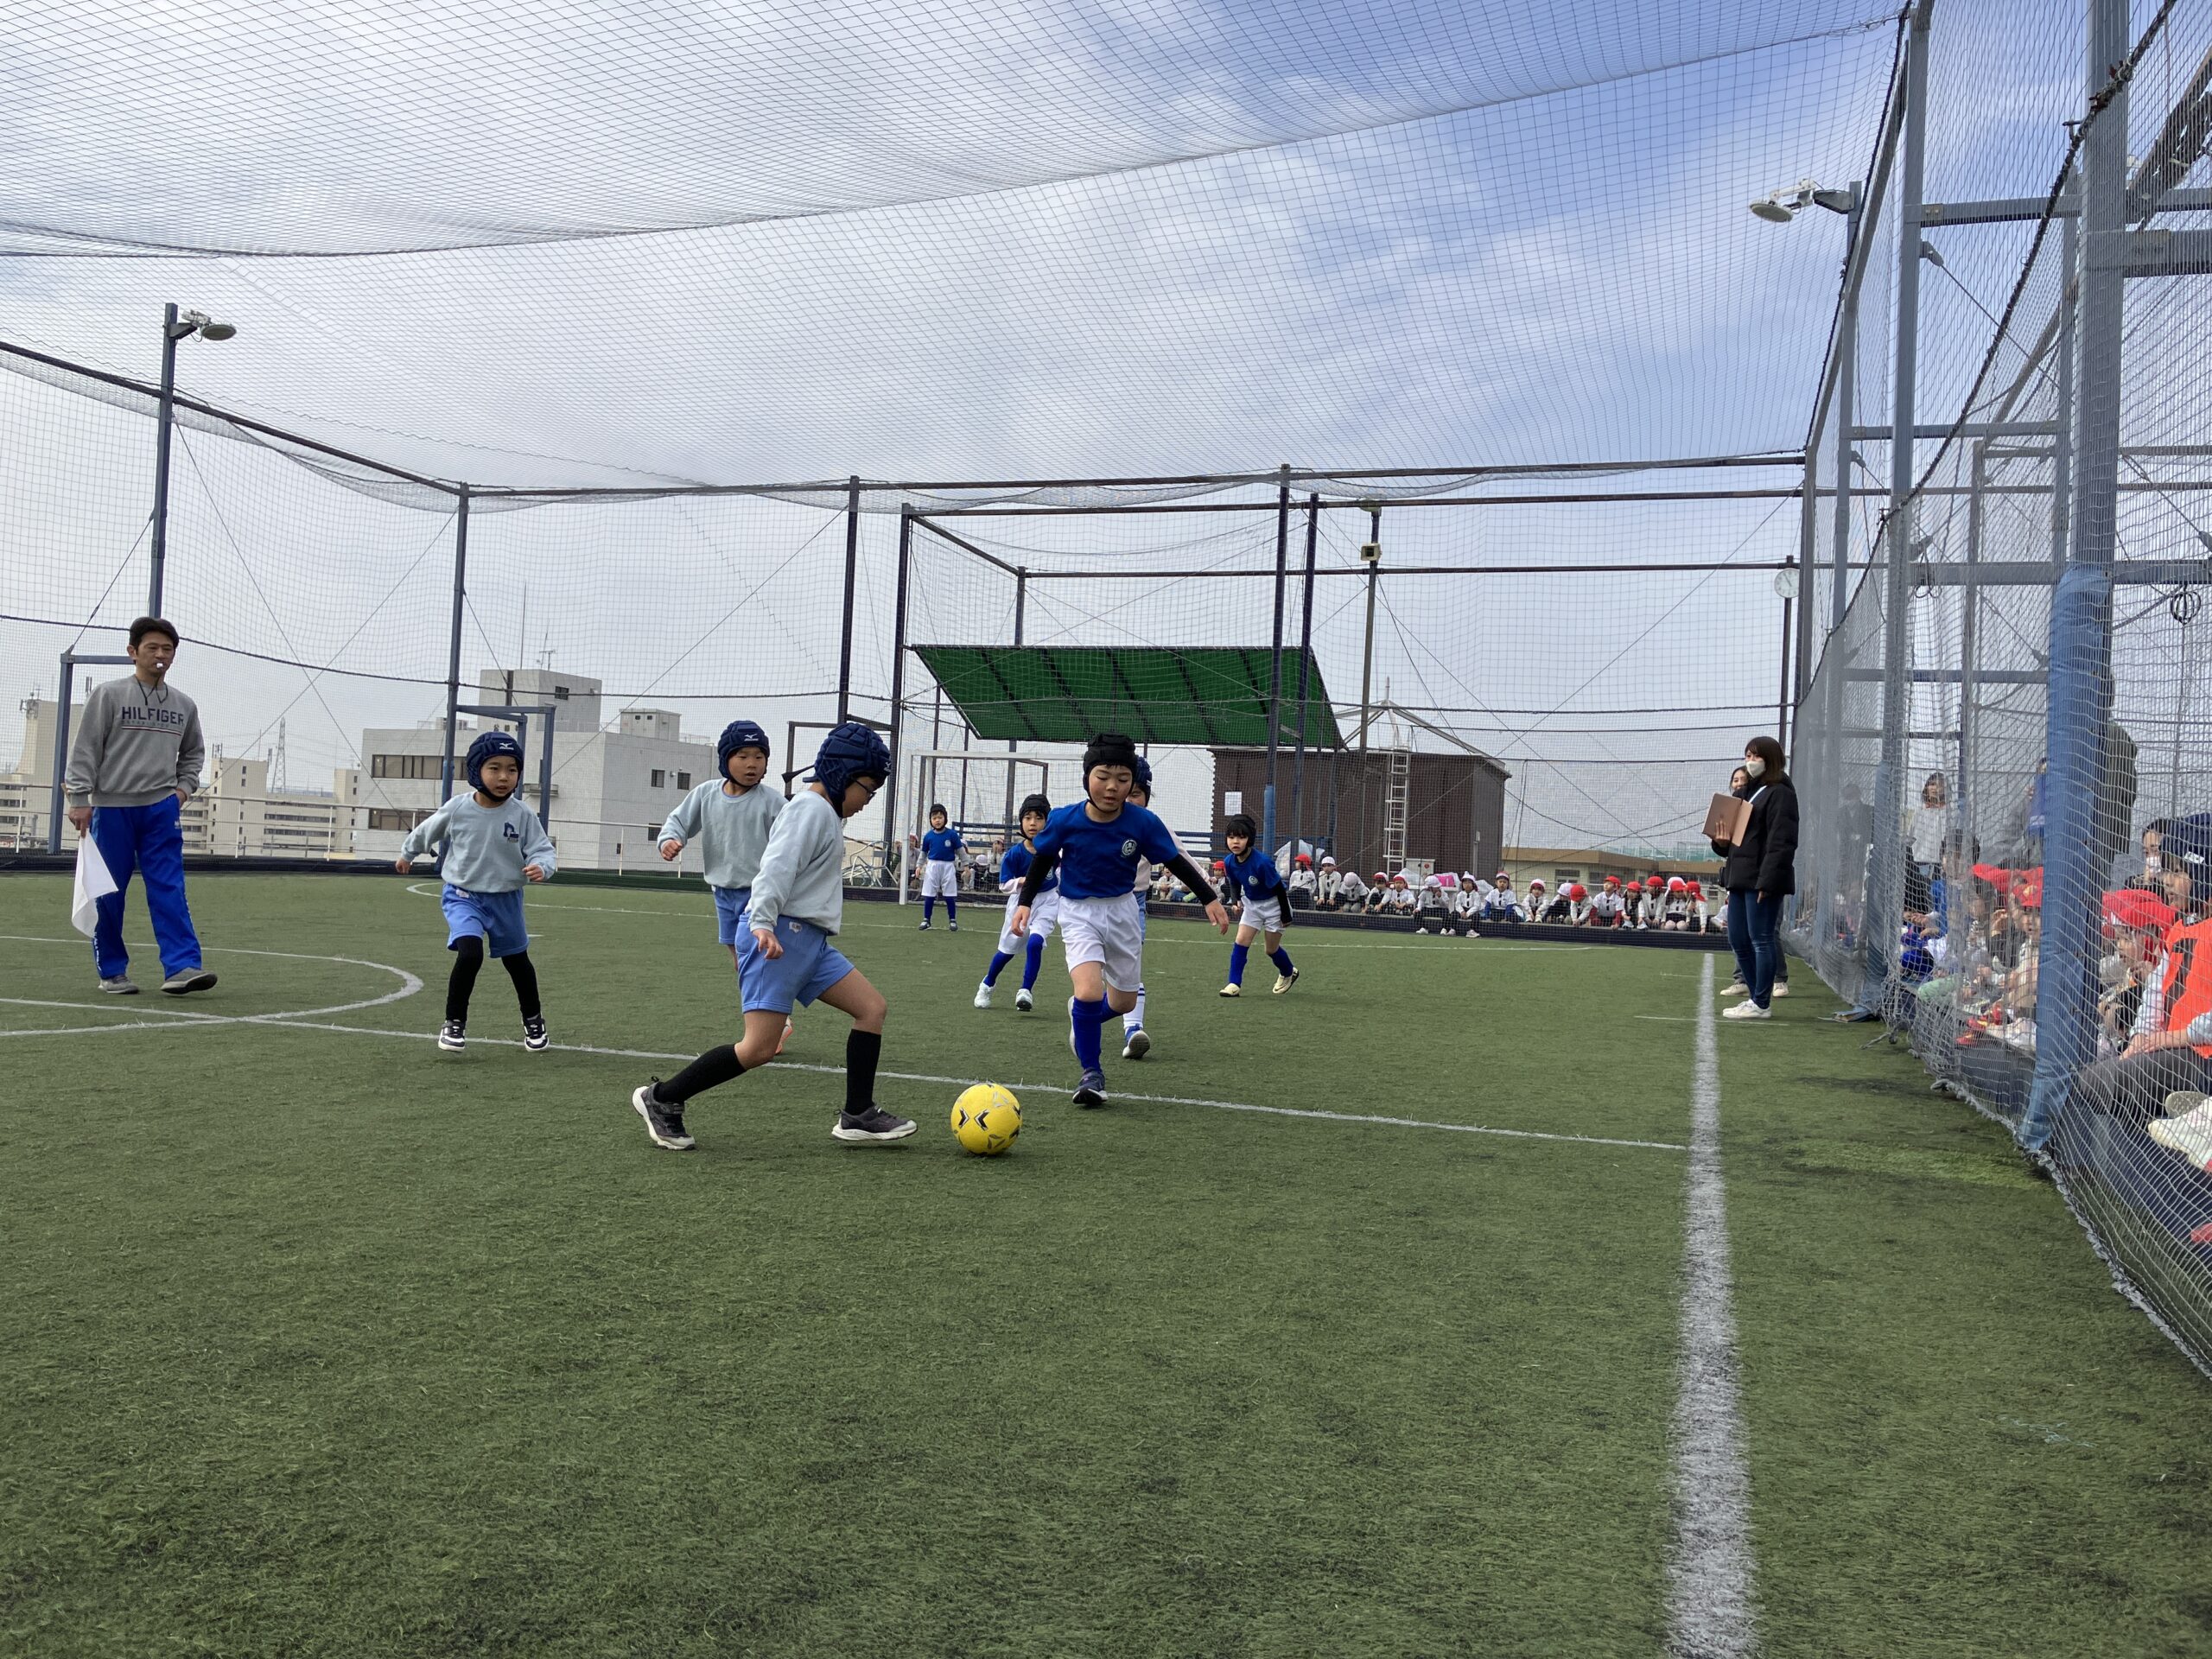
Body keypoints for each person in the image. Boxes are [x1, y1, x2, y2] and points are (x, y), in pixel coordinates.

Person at [630, 723, 915, 1151]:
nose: (867, 800)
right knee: (759, 1048)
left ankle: (858, 1113)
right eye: (868, 789)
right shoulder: (809, 809)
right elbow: (774, 868)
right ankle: (663, 1098)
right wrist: (761, 922)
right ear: (842, 773)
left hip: (810, 942)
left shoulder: (823, 812)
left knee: (871, 1009)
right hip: (777, 938)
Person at [1012, 733, 1227, 1108]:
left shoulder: (1142, 823)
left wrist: (1209, 897)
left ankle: (1085, 1020)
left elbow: (1174, 860)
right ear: (1087, 777)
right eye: (1103, 776)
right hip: (1078, 912)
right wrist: (1025, 902)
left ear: (1132, 783)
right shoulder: (1065, 819)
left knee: (1125, 1002)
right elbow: (1043, 859)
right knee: (1090, 992)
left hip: (1124, 910)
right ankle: (1091, 1074)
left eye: (1122, 779)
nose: (1112, 787)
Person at [64, 616, 215, 995]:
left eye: (167, 649)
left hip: (161, 810)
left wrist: (181, 792)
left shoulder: (184, 705)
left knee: (169, 888)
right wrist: (80, 799)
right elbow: (85, 751)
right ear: (133, 652)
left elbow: (194, 754)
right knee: (108, 893)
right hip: (110, 810)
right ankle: (112, 971)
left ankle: (182, 968)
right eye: (152, 648)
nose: (160, 655)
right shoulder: (109, 695)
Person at [396, 729, 556, 1052]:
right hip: (463, 895)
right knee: (470, 952)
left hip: (506, 900)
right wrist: (408, 853)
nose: (503, 777)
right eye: (494, 768)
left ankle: (533, 1021)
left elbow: (543, 849)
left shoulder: (523, 814)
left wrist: (542, 866)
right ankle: (454, 1023)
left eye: (512, 769)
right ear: (476, 771)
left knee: (518, 962)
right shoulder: (458, 808)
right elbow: (428, 829)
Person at [1718, 735, 1799, 1021]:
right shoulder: (1746, 793)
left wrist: (1768, 881)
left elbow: (1782, 842)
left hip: (1762, 879)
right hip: (1738, 877)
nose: (1749, 762)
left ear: (1770, 758)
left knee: (1761, 938)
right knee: (1738, 939)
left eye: (1755, 756)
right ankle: (1754, 997)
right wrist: (1720, 839)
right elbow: (1728, 843)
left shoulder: (1780, 793)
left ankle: (1761, 1002)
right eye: (1747, 756)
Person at [974, 792, 1057, 1014]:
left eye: (1039, 818)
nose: (1033, 823)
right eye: (1028, 817)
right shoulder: (1014, 855)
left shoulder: (1053, 851)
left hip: (1048, 902)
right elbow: (1003, 884)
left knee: (1035, 943)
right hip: (1020, 904)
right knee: (1006, 952)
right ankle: (987, 984)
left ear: (1047, 822)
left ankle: (1025, 991)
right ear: (1021, 822)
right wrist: (1022, 881)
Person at [1218, 811, 1299, 995]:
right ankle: (1234, 984)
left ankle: (1288, 972)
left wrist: (1285, 915)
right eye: (1231, 837)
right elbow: (1234, 882)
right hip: (1252, 906)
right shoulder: (1229, 861)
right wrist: (1236, 900)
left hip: (1275, 906)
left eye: (1241, 837)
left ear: (1250, 839)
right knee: (1241, 941)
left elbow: (1279, 888)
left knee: (1270, 950)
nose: (1235, 842)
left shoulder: (1262, 863)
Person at [1121, 758, 1160, 1057]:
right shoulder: (1096, 821)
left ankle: (1133, 1029)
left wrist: (1210, 895)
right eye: (1125, 791)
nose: (1130, 799)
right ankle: (1084, 1016)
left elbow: (1181, 857)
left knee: (1130, 968)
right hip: (1093, 905)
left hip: (1135, 903)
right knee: (1094, 979)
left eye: (1137, 794)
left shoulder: (1149, 826)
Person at [917, 804, 964, 930]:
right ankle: (926, 920)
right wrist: (918, 866)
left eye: (940, 817)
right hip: (932, 866)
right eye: (934, 818)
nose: (937, 820)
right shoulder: (928, 836)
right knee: (929, 894)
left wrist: (966, 866)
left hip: (948, 867)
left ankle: (952, 920)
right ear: (931, 820)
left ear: (945, 818)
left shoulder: (952, 835)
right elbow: (923, 853)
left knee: (949, 894)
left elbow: (961, 851)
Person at [1906, 772, 1954, 880]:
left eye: (1939, 785)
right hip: (1917, 862)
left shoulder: (1950, 814)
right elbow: (1908, 836)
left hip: (1939, 865)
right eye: (1932, 784)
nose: (1934, 788)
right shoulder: (1917, 811)